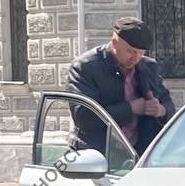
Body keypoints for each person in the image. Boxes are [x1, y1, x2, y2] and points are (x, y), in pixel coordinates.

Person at [67, 17, 177, 156]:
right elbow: (84, 117)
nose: (135, 58)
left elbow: (170, 106)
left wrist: (160, 110)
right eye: (130, 51)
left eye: (141, 53)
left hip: (141, 155)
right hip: (97, 155)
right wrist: (132, 108)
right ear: (114, 43)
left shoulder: (148, 67)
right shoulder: (85, 67)